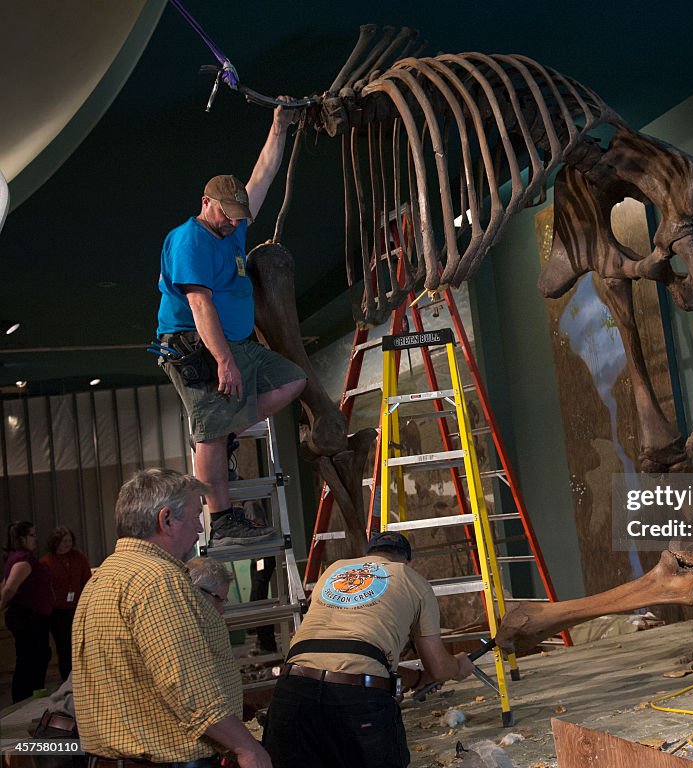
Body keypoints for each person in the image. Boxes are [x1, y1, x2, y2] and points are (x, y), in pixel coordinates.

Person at [156, 102, 307, 547]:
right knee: (213, 429)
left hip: (239, 342)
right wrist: (224, 361)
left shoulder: (234, 227)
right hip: (196, 345)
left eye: (239, 214)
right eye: (227, 213)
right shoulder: (189, 239)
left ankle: (223, 433)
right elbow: (200, 305)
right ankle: (221, 521)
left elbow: (262, 176)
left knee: (292, 380)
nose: (235, 221)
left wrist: (279, 127)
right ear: (206, 204)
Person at [72, 469, 271, 768]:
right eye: (195, 517)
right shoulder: (158, 579)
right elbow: (188, 686)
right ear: (166, 519)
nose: (200, 529)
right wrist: (246, 747)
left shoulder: (103, 577)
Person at [262, 531, 475, 768]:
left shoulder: (334, 570)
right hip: (357, 702)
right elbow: (439, 668)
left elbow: (347, 655)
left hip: (293, 691)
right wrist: (458, 665)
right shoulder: (411, 578)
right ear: (408, 562)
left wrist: (417, 679)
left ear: (369, 557)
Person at [1, 521, 54, 703]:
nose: (35, 539)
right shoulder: (23, 560)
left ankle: (32, 694)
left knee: (38, 655)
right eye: (32, 535)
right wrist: (2, 604)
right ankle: (25, 697)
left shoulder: (23, 558)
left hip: (34, 616)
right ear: (22, 538)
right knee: (31, 657)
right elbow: (9, 588)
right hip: (27, 616)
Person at [40, 526, 92, 681]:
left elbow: (87, 579)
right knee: (64, 648)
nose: (67, 544)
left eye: (69, 541)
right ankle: (67, 679)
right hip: (58, 611)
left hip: (77, 607)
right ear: (56, 542)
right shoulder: (46, 562)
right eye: (64, 541)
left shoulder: (78, 557)